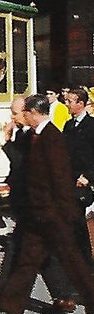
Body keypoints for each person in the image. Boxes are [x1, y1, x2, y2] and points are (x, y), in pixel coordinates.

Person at [0, 94, 94, 314]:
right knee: (26, 261)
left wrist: (67, 214)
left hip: (54, 215)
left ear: (34, 113)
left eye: (25, 113)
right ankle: (9, 311)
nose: (22, 117)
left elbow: (60, 178)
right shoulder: (35, 136)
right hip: (38, 216)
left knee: (74, 264)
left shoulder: (52, 137)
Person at [0, 96, 76, 314]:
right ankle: (63, 296)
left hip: (36, 206)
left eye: (16, 113)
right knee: (42, 253)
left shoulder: (37, 135)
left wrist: (7, 142)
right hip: (28, 203)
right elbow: (19, 170)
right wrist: (8, 183)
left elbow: (24, 164)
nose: (13, 117)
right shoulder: (26, 134)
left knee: (16, 253)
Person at [63, 87, 94, 259]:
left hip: (82, 182)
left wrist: (88, 176)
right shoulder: (68, 125)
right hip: (68, 180)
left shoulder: (91, 126)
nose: (66, 104)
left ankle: (85, 260)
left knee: (79, 221)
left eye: (69, 101)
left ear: (80, 104)